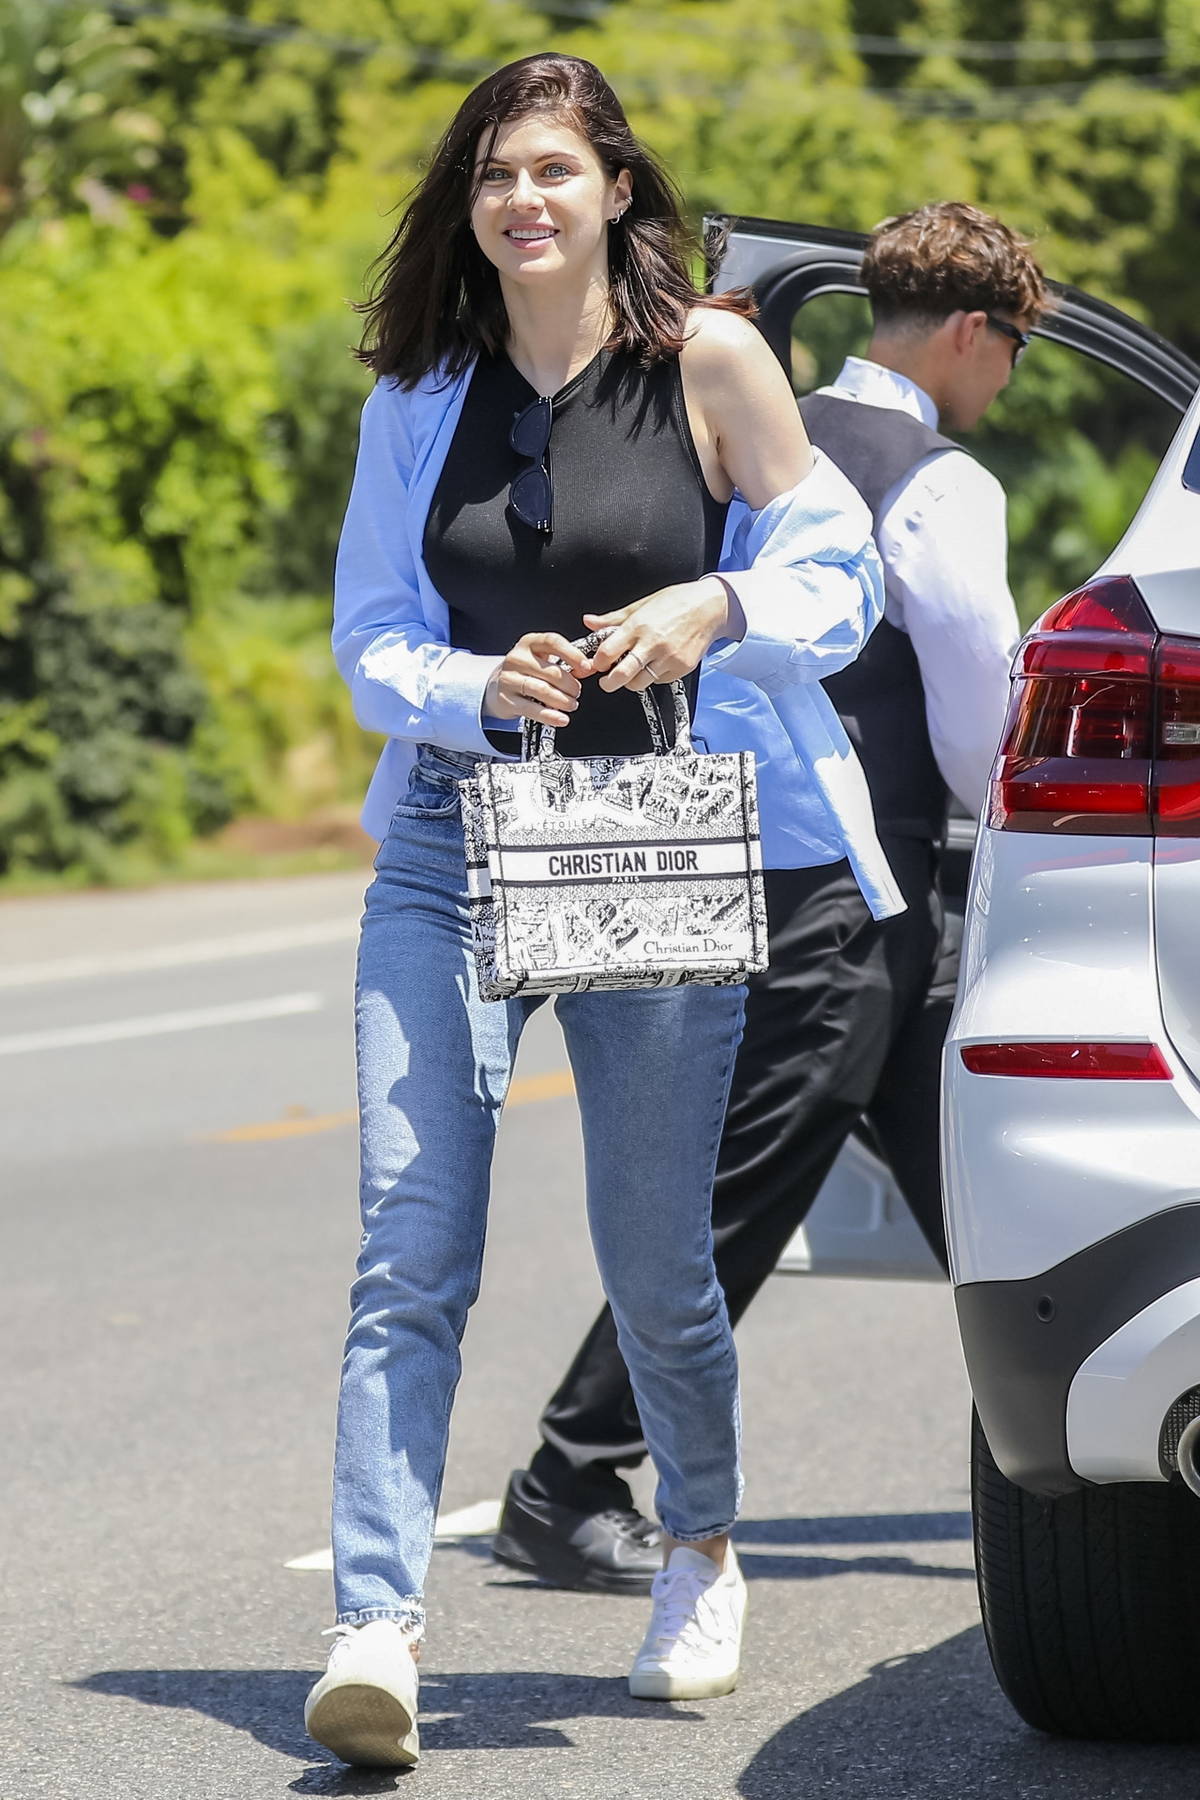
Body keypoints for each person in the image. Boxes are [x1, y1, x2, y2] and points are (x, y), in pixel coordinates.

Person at [305, 52, 900, 1769]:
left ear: (616, 189)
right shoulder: (417, 393)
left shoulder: (709, 359)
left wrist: (712, 606)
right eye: (498, 175)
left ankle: (699, 1546)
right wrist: (481, 683)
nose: (526, 200)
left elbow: (836, 567)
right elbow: (371, 639)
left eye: (557, 169)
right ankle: (375, 1622)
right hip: (450, 835)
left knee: (659, 1263)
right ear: (472, 208)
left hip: (645, 831)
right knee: (409, 1250)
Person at [495, 199, 1048, 1596]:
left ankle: (1080, 1434)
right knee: (747, 1177)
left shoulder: (755, 423)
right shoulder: (940, 480)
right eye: (1015, 354)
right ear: (975, 334)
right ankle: (567, 1476)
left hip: (757, 847)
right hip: (856, 887)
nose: (1008, 384)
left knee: (983, 1180)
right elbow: (984, 709)